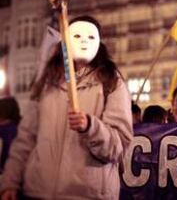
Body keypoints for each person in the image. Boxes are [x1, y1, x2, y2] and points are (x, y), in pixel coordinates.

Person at [0, 15, 133, 200]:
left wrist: (91, 127)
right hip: (38, 192)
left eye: (91, 37)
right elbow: (26, 138)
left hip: (87, 194)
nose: (84, 40)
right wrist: (10, 182)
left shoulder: (112, 83)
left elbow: (119, 146)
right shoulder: (46, 82)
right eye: (77, 36)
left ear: (99, 44)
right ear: (65, 41)